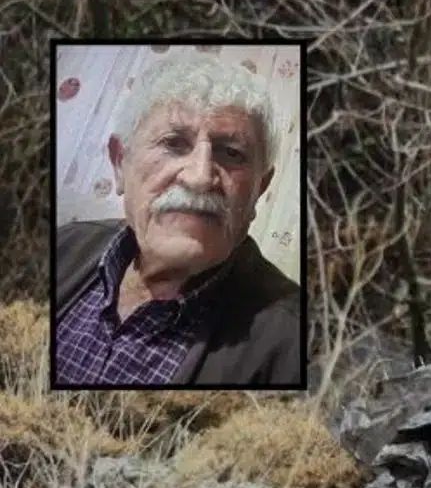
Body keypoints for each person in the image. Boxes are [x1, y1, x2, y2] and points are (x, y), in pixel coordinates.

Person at [53, 52, 302, 388]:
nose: (199, 178)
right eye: (173, 143)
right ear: (120, 162)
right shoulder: (63, 246)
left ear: (260, 188)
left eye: (231, 153)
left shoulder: (295, 339)